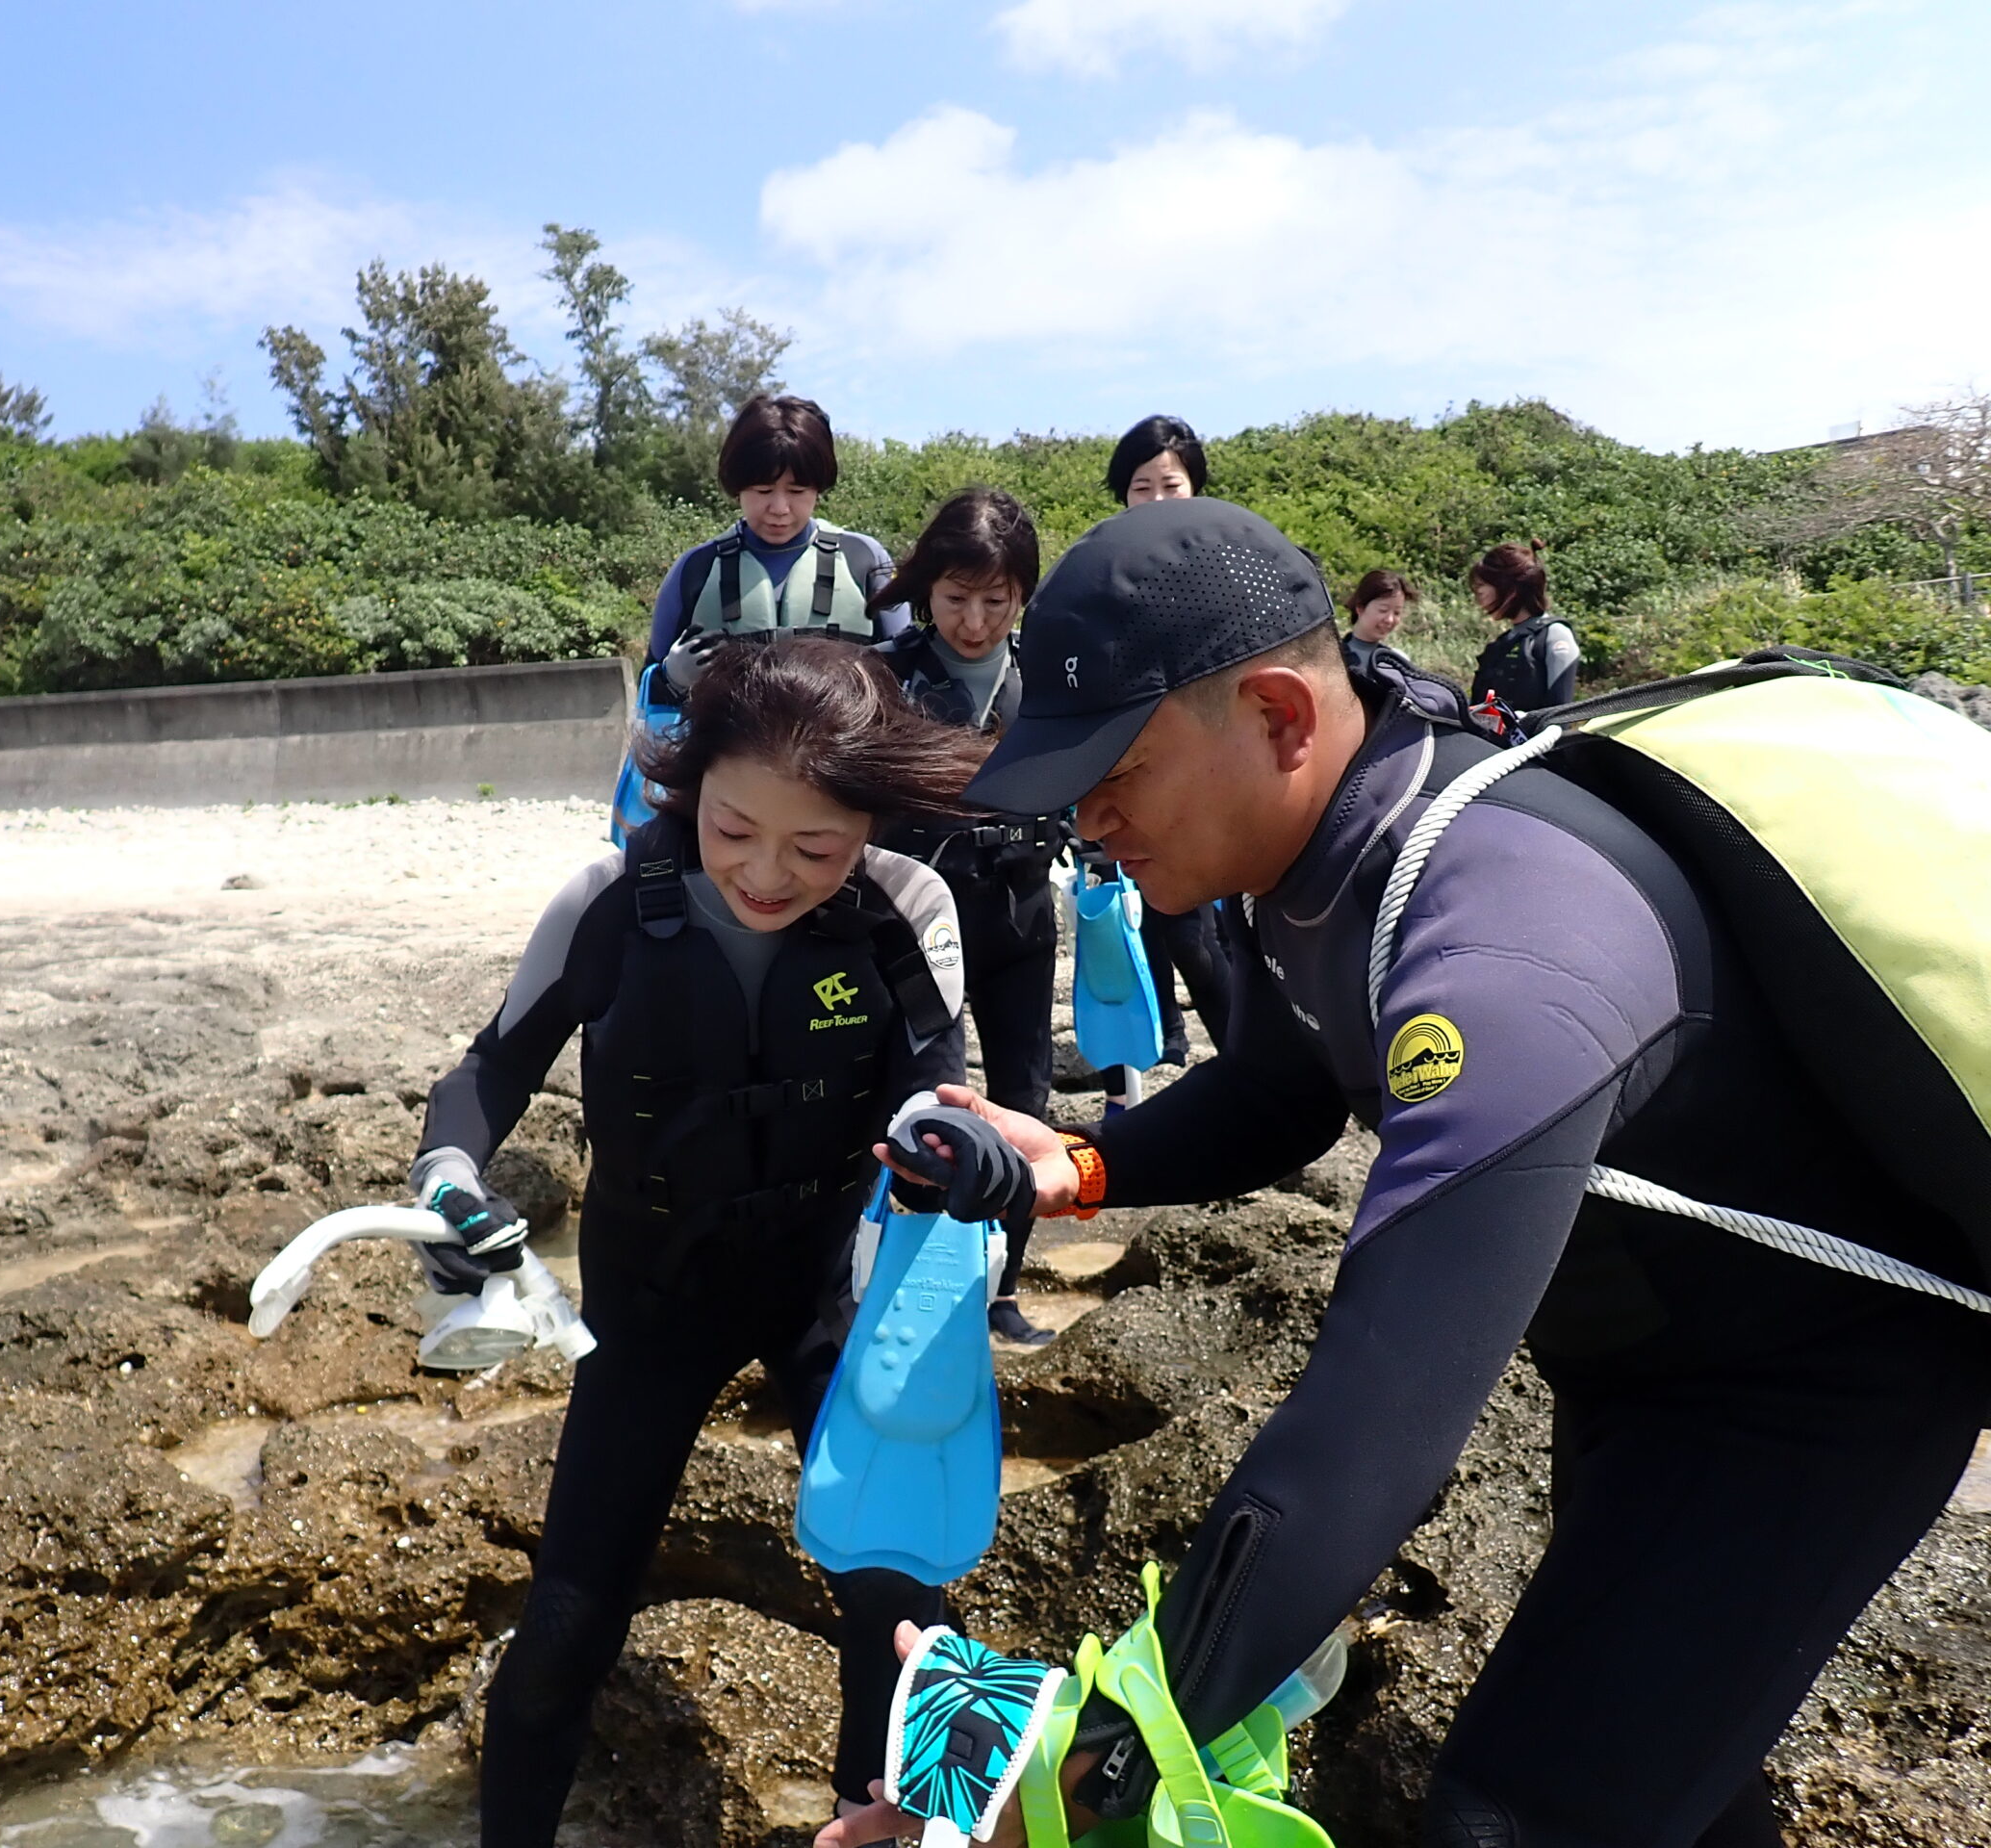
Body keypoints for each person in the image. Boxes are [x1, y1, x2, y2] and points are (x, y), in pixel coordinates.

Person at [824, 497, 1991, 1848]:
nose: (1088, 821)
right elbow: (1280, 1091)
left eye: (1114, 772)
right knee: (1676, 1783)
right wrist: (1071, 1167)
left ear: (1279, 714)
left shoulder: (1497, 946)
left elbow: (1375, 1421)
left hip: (1816, 1389)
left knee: (1514, 1816)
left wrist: (1092, 1766)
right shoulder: (1315, 872)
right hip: (1646, 1369)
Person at [416, 634, 987, 1846]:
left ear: (866, 825)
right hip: (646, 1308)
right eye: (734, 831)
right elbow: (488, 1072)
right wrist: (447, 1183)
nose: (767, 873)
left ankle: (878, 1832)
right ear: (688, 789)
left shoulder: (907, 908)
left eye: (815, 847)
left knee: (900, 1606)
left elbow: (944, 1094)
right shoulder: (609, 902)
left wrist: (956, 1156)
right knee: (569, 1614)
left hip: (828, 1298)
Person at [870, 487, 1070, 1347]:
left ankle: (998, 1289)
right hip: (919, 930)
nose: (976, 621)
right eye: (956, 599)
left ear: (1023, 595)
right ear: (926, 592)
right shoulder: (887, 678)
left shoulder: (1054, 677)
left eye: (997, 600)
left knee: (1026, 1096)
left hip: (1023, 920)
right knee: (931, 1101)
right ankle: (909, 1285)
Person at [1100, 414, 1233, 1066]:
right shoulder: (1105, 577)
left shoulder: (1229, 569)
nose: (1155, 500)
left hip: (1213, 776)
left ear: (1196, 489)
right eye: (1140, 486)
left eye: (1170, 485)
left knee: (1195, 930)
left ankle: (1245, 1052)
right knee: (1152, 918)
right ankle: (1172, 1044)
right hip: (1135, 773)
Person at [643, 395, 908, 697]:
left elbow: (911, 675)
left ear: (818, 489)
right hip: (732, 742)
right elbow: (649, 696)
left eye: (796, 491)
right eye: (763, 490)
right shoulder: (695, 570)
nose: (779, 508)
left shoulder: (864, 560)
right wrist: (670, 679)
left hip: (844, 742)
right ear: (738, 488)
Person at [1468, 541, 1580, 712]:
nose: (1478, 598)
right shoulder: (1505, 642)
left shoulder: (1555, 636)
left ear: (1510, 589)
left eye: (1481, 588)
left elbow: (1560, 715)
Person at [1340, 567, 1417, 676]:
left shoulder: (1397, 661)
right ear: (1360, 608)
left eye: (1397, 613)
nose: (1389, 620)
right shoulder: (1334, 657)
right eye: (1383, 610)